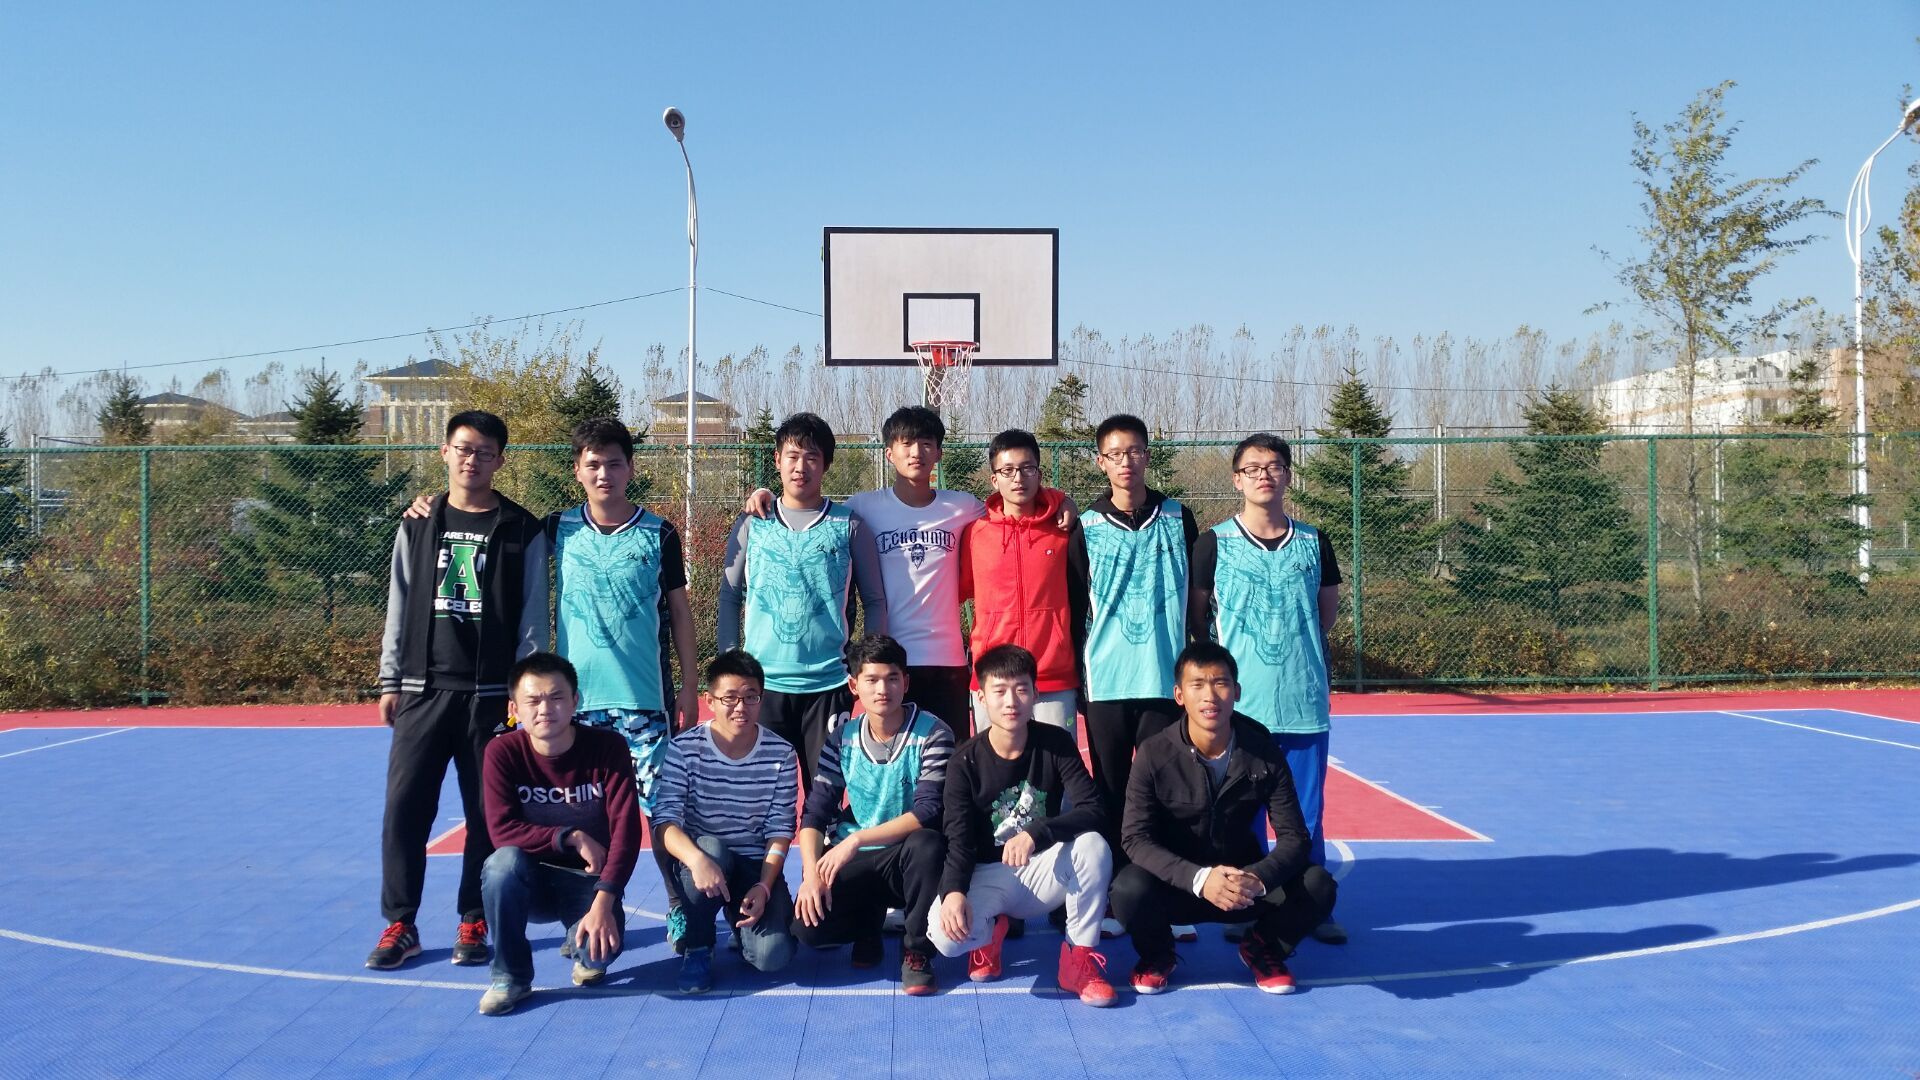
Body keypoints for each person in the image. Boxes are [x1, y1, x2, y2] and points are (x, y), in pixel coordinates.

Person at [369, 410, 549, 971]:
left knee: (486, 813)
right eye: (464, 448)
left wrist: (523, 691)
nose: (473, 459)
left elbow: (533, 618)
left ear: (500, 461)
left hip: (491, 696)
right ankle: (401, 922)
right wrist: (391, 677)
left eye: (485, 452)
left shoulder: (522, 529)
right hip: (423, 690)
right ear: (445, 452)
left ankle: (474, 915)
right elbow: (399, 601)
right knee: (405, 810)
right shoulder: (418, 523)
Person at [1188, 433, 1347, 946]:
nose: (1264, 474)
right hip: (1243, 708)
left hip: (1302, 702)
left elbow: (1325, 615)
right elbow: (1199, 622)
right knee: (1242, 817)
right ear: (1237, 479)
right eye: (1253, 467)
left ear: (1287, 476)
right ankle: (1245, 904)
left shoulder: (1314, 542)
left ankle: (1310, 905)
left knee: (1305, 816)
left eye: (1274, 466)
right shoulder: (1214, 542)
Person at [1108, 642, 1338, 996]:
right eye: (1197, 684)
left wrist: (1257, 877)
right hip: (1179, 885)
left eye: (1220, 683)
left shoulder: (1261, 749)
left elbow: (1295, 836)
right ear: (1179, 695)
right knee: (1127, 890)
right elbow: (1135, 839)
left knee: (1318, 885)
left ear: (1237, 691)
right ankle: (1157, 954)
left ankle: (1263, 947)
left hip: (1242, 886)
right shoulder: (1154, 752)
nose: (1210, 695)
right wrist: (1199, 879)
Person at [549, 417, 701, 941]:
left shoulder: (658, 532)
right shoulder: (557, 529)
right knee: (584, 817)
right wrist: (429, 502)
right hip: (575, 707)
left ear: (630, 469)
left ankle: (679, 906)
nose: (604, 473)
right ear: (577, 470)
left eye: (614, 463)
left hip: (644, 703)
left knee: (663, 813)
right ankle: (586, 915)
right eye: (593, 464)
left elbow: (679, 613)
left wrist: (688, 685)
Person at [1068, 413, 1197, 938]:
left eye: (1135, 451)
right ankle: (1119, 893)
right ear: (1101, 462)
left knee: (1169, 788)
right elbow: (1075, 607)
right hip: (1106, 681)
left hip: (1164, 679)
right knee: (1114, 790)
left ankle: (1174, 894)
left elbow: (1198, 600)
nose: (1126, 461)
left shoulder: (1179, 517)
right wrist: (1078, 678)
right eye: (1115, 454)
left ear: (1147, 455)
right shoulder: (1087, 526)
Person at [927, 645, 1115, 1007]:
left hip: (1041, 870)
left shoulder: (1055, 743)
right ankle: (989, 933)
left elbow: (1093, 809)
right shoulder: (964, 761)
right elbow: (959, 839)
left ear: (1035, 694)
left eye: (1021, 689)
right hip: (988, 874)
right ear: (982, 698)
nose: (1011, 701)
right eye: (999, 691)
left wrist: (1037, 833)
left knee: (1093, 846)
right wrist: (953, 892)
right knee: (945, 937)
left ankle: (1078, 960)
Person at [717, 411, 886, 789]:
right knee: (758, 796)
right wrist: (730, 660)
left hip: (828, 686)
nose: (800, 466)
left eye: (812, 457)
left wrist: (865, 667)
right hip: (762, 686)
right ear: (777, 460)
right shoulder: (753, 522)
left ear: (826, 464)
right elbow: (729, 595)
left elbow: (875, 601)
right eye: (792, 456)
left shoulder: (849, 525)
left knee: (824, 798)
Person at [475, 652, 643, 1015]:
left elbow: (627, 832)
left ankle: (579, 940)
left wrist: (605, 902)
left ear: (575, 701)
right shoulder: (502, 752)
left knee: (598, 955)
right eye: (533, 700)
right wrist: (570, 836)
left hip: (586, 881)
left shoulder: (608, 748)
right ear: (514, 708)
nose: (545, 709)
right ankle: (510, 978)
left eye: (556, 697)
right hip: (530, 880)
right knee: (500, 865)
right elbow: (501, 831)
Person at [792, 634, 953, 996]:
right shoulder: (841, 738)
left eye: (892, 678)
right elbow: (816, 812)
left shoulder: (933, 733)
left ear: (905, 682)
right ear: (854, 686)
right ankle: (867, 926)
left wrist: (857, 840)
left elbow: (928, 810)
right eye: (872, 680)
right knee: (807, 929)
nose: (883, 689)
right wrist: (811, 874)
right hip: (859, 856)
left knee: (928, 845)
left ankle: (916, 949)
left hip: (907, 857)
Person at [650, 650, 801, 994]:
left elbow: (780, 830)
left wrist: (764, 886)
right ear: (710, 700)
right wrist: (696, 860)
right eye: (729, 698)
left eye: (750, 697)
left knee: (774, 956)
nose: (740, 707)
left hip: (752, 864)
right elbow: (665, 822)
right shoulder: (683, 748)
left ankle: (739, 921)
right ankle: (699, 946)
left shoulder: (781, 753)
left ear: (761, 698)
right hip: (704, 859)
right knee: (711, 850)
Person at [843, 406, 982, 736]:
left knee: (951, 757)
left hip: (947, 660)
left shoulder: (963, 506)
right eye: (906, 443)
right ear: (889, 453)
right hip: (891, 662)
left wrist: (1059, 501)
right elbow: (812, 512)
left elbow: (1014, 510)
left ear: (939, 453)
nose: (916, 452)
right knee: (895, 756)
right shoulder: (863, 506)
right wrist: (766, 496)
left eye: (926, 443)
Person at [958, 429, 1089, 735]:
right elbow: (959, 593)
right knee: (994, 764)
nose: (1018, 478)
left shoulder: (1063, 529)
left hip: (1052, 675)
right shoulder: (975, 534)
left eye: (1027, 468)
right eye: (1007, 471)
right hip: (993, 676)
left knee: (1057, 763)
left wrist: (1062, 500)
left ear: (1039, 475)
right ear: (994, 479)